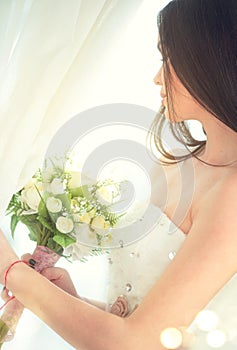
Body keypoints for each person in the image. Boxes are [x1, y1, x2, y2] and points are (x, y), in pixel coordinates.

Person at [0, 0, 237, 349]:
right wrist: (72, 301)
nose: (157, 77)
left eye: (167, 58)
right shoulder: (177, 164)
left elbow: (135, 343)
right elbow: (142, 324)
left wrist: (10, 269)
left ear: (207, 60)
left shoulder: (231, 195)